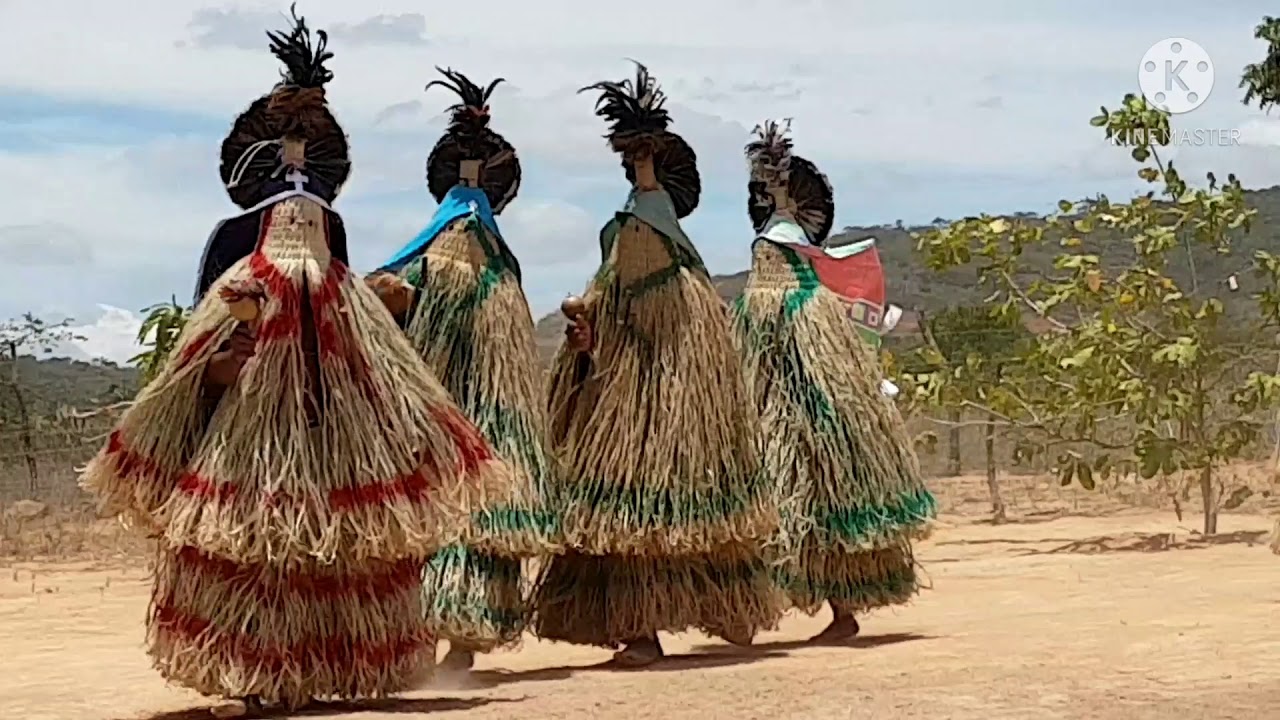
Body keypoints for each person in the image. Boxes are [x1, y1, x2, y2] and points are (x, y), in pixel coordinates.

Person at [78, 8, 511, 716]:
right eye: (292, 137)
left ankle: (322, 661)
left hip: (327, 412)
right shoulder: (237, 237)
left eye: (309, 138)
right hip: (253, 417)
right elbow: (203, 327)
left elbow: (350, 312)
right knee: (258, 533)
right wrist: (221, 361)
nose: (299, 153)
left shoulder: (330, 229)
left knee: (330, 534)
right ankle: (260, 667)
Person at [532, 62, 782, 667]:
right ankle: (665, 623)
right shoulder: (629, 239)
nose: (638, 172)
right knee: (639, 508)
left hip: (668, 404)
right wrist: (585, 334)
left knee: (666, 502)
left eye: (644, 163)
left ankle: (708, 614)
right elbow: (611, 299)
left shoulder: (668, 258)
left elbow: (660, 317)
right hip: (627, 397)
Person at [364, 67, 560, 673]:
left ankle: (453, 635)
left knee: (455, 513)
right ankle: (451, 641)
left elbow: (388, 302)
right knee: (456, 511)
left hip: (449, 426)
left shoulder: (444, 271)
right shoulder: (505, 278)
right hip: (461, 425)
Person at [731, 119, 936, 642]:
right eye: (765, 181)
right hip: (770, 372)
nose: (771, 187)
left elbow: (798, 303)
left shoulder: (794, 261)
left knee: (813, 492)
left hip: (802, 378)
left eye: (777, 181)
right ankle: (762, 609)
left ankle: (836, 610)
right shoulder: (776, 248)